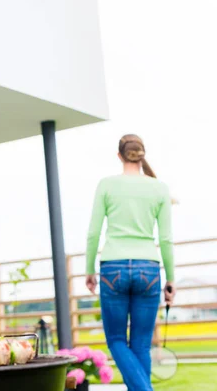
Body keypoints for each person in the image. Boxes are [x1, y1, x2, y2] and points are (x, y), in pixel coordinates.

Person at [85, 134, 176, 391]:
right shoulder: (159, 188)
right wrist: (170, 278)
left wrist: (89, 270)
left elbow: (93, 233)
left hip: (112, 267)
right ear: (141, 155)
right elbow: (166, 239)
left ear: (119, 155)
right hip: (149, 268)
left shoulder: (106, 185)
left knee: (116, 340)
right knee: (140, 345)